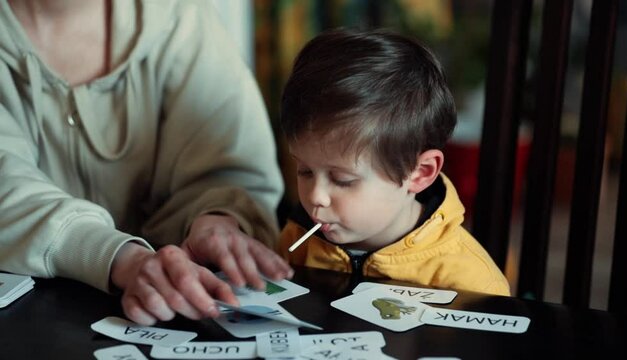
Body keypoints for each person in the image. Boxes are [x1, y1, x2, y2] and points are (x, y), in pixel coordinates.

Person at [0, 0, 293, 325]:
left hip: (181, 313)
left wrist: (218, 219)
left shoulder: (180, 15)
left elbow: (231, 163)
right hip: (35, 322)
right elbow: (8, 189)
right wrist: (120, 258)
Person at [278, 28, 510, 296]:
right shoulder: (296, 242)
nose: (315, 196)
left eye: (342, 180)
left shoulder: (470, 283)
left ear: (420, 173)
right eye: (305, 170)